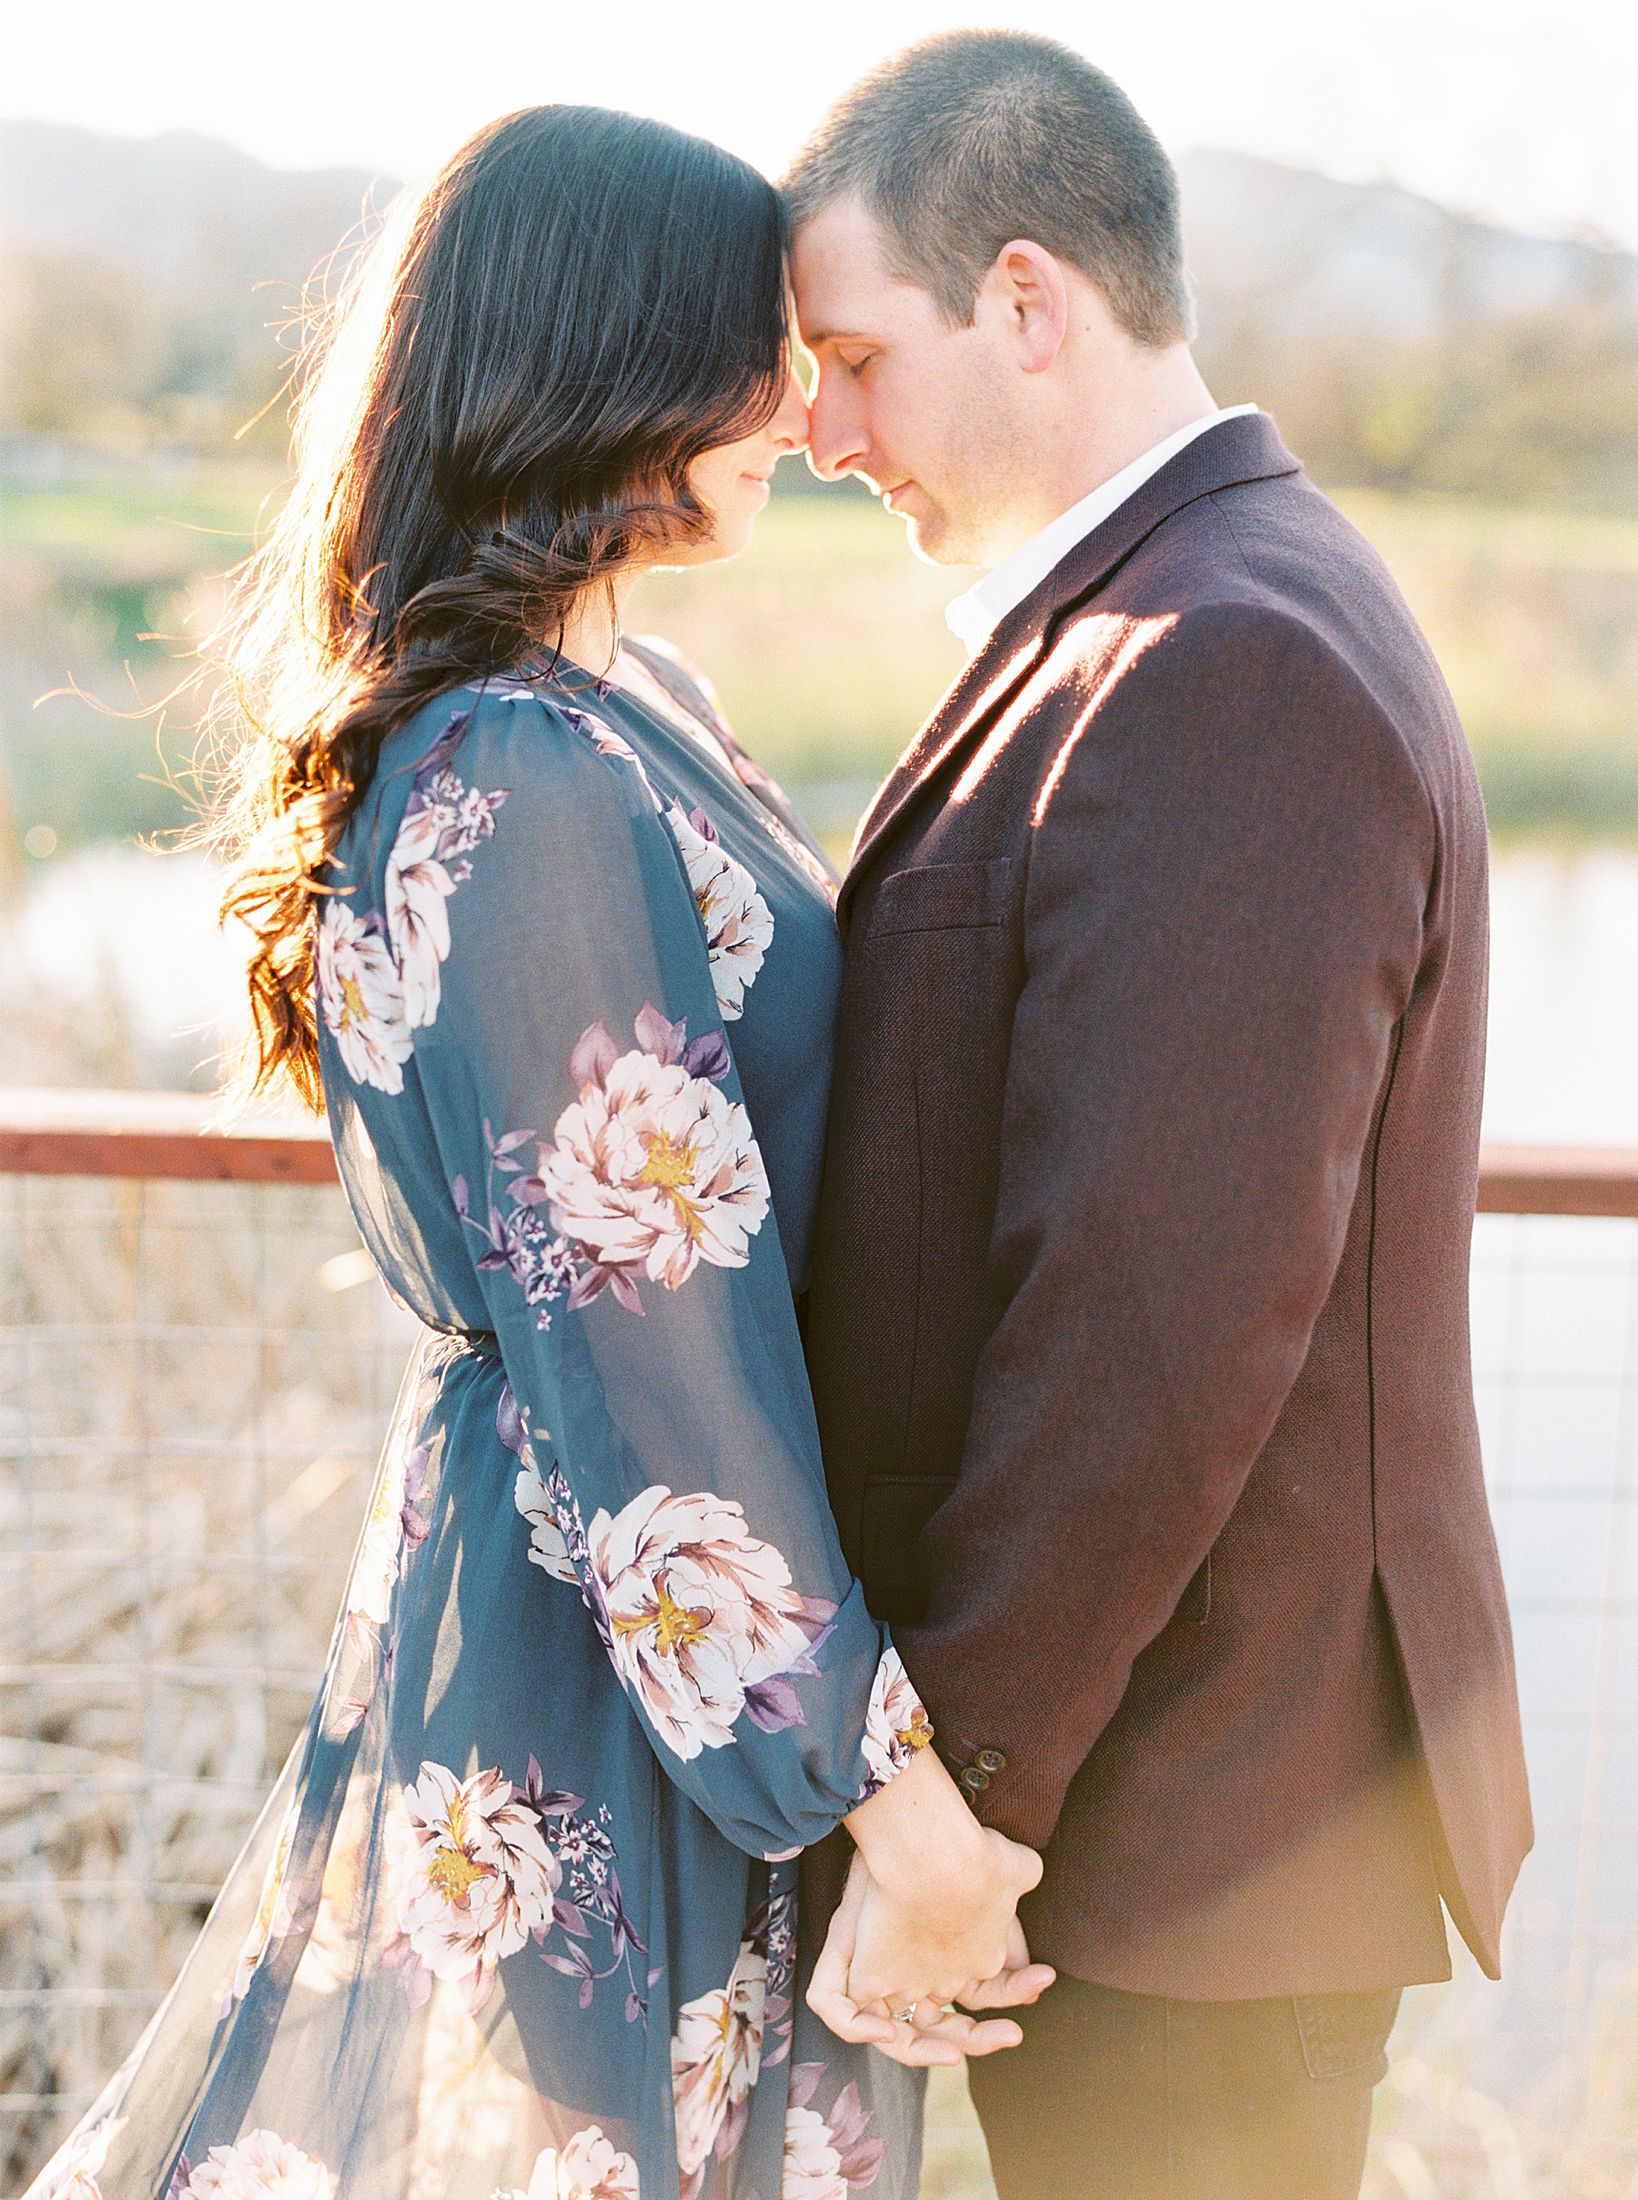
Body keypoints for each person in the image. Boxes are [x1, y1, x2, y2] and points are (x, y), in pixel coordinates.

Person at [23, 105, 1052, 2200]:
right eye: (747, 347)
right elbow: (643, 1327)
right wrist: (887, 1795)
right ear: (602, 363)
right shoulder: (523, 763)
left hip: (648, 1601)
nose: (795, 400)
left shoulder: (625, 694)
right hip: (618, 1631)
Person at [786, 31, 1533, 2200]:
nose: (819, 428)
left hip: (1191, 1829)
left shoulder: (1231, 657)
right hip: (1158, 1812)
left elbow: (1151, 1314)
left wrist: (973, 1810)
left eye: (853, 356)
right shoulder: (1146, 614)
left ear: (1027, 302)